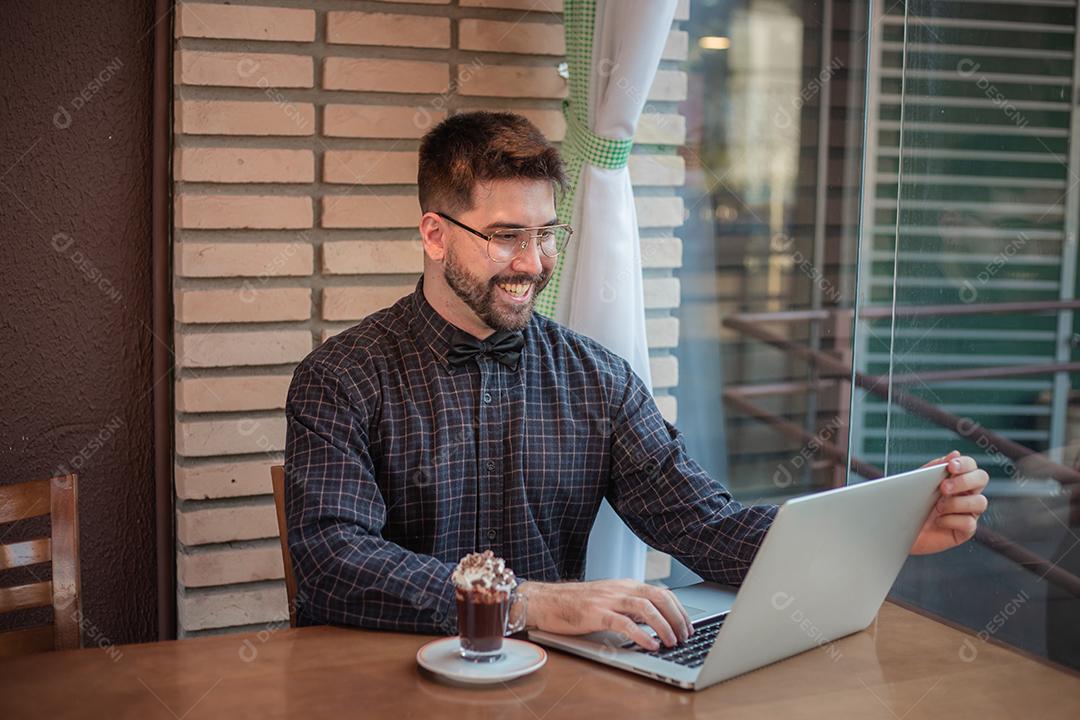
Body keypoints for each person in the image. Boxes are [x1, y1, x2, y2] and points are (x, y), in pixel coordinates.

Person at [284, 111, 990, 651]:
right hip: (388, 687)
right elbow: (331, 561)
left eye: (546, 232)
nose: (532, 262)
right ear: (435, 234)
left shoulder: (597, 379)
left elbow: (706, 526)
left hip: (556, 689)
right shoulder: (341, 377)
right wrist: (527, 602)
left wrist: (883, 533)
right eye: (505, 236)